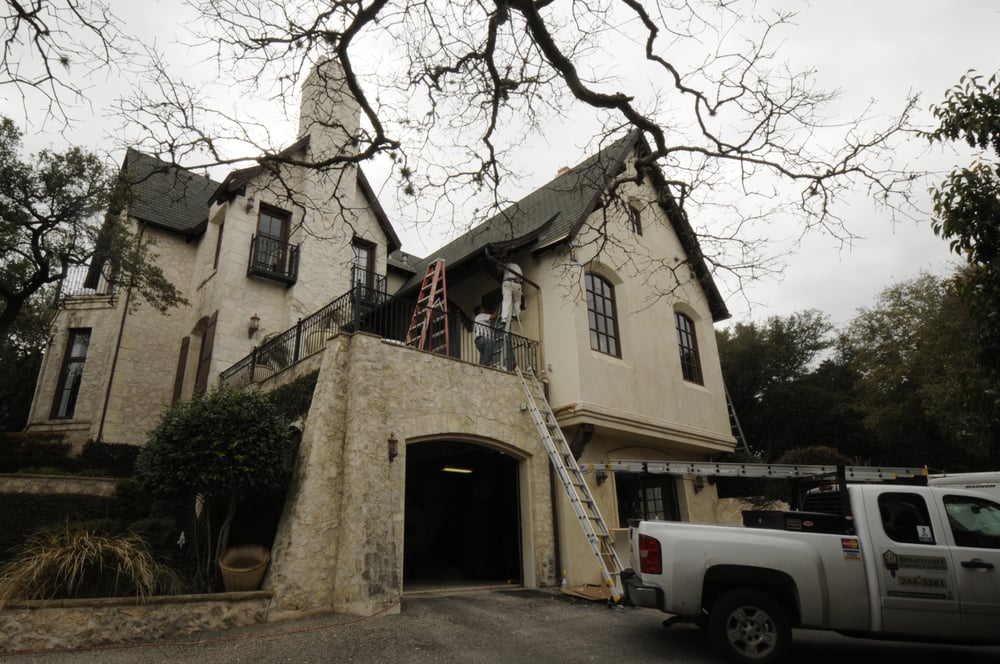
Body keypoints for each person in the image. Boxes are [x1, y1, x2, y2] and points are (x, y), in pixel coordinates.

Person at [500, 261, 522, 326]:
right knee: (517, 299)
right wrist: (520, 281)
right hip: (515, 283)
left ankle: (504, 318)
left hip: (506, 282)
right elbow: (519, 276)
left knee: (506, 300)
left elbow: (499, 269)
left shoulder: (505, 265)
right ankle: (515, 314)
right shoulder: (516, 266)